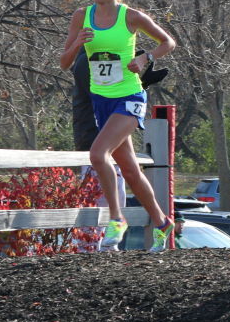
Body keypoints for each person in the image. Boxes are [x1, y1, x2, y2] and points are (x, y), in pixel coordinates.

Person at [60, 0, 177, 253]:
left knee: (98, 154)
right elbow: (63, 63)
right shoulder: (81, 17)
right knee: (130, 169)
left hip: (129, 98)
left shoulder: (130, 17)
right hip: (101, 100)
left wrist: (145, 58)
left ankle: (116, 218)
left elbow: (168, 42)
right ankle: (163, 222)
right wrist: (77, 45)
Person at [72, 46, 168, 251]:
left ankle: (154, 223)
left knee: (129, 173)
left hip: (112, 122)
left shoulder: (111, 52)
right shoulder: (86, 58)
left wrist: (140, 72)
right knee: (121, 175)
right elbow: (101, 89)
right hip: (94, 131)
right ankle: (156, 222)